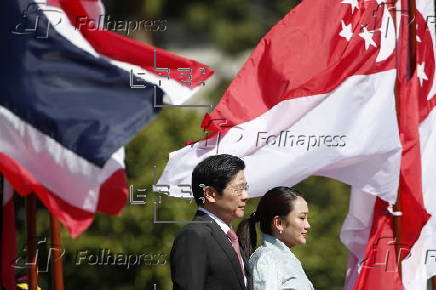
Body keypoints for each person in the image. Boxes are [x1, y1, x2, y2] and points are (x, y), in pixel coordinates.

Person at [170, 154, 252, 290]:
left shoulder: (230, 238)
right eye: (238, 189)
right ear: (210, 194)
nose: (246, 196)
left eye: (245, 188)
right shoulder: (194, 235)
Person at [237, 186, 314, 290]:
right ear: (279, 223)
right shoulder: (267, 259)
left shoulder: (283, 258)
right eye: (302, 218)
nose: (307, 225)